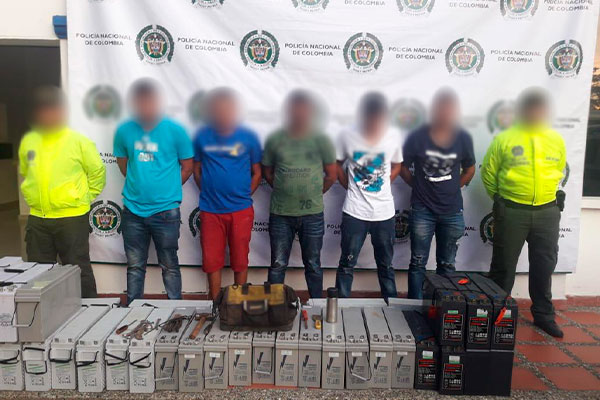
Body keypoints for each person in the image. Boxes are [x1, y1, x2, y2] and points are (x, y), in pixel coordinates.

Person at [481, 88, 566, 338]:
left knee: (544, 265)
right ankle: (496, 315)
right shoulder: (505, 139)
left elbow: (559, 170)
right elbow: (488, 173)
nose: (535, 112)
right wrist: (501, 201)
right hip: (513, 211)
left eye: (540, 108)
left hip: (547, 212)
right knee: (503, 267)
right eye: (531, 108)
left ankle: (543, 315)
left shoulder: (555, 139)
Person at [18, 86, 105, 297]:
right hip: (38, 219)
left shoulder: (79, 141)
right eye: (43, 110)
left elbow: (98, 173)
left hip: (71, 219)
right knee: (39, 273)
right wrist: (31, 199)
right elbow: (26, 173)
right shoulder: (29, 142)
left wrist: (81, 198)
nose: (47, 114)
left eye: (52, 109)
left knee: (78, 270)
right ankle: (45, 313)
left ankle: (90, 311)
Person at [113, 79, 194, 305]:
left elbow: (188, 166)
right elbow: (123, 165)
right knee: (135, 266)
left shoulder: (176, 131)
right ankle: (133, 310)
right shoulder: (123, 131)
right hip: (133, 211)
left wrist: (168, 188)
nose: (145, 107)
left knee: (169, 265)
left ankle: (175, 308)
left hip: (166, 212)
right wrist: (141, 184)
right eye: (140, 102)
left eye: (149, 102)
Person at [400, 89, 476, 299]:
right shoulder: (416, 137)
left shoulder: (463, 138)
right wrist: (417, 185)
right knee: (418, 262)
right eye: (440, 108)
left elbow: (470, 169)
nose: (444, 113)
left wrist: (454, 187)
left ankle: (444, 307)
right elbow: (402, 167)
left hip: (452, 211)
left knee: (447, 264)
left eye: (449, 109)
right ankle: (414, 306)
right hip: (422, 210)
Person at [263, 90, 337, 298]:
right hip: (281, 213)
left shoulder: (322, 139)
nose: (300, 114)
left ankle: (317, 306)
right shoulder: (275, 139)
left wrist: (313, 193)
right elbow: (267, 171)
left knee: (313, 264)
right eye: (295, 109)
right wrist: (284, 188)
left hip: (312, 213)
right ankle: (274, 306)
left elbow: (331, 174)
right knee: (278, 264)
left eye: (304, 110)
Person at [192, 88, 262, 300]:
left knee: (240, 260)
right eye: (218, 109)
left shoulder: (249, 137)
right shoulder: (202, 136)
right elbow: (197, 169)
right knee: (212, 261)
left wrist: (243, 194)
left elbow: (257, 172)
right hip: (210, 210)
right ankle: (215, 304)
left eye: (227, 109)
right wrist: (209, 191)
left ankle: (238, 304)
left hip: (240, 210)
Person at [335, 92, 403, 299]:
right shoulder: (347, 135)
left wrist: (384, 183)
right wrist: (350, 186)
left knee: (386, 265)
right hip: (355, 211)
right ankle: (341, 307)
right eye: (370, 119)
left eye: (378, 119)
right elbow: (337, 164)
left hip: (384, 212)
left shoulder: (393, 135)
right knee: (347, 263)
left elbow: (397, 165)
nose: (374, 124)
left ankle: (392, 306)